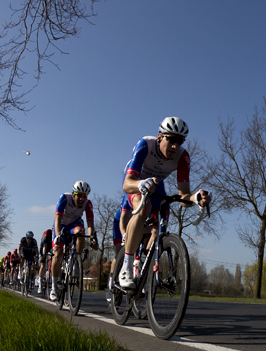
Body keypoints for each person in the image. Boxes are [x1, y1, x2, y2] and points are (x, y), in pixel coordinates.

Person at [118, 117, 210, 289]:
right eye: (171, 140)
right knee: (144, 207)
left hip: (156, 186)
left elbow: (183, 197)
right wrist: (139, 184)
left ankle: (144, 263)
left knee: (160, 227)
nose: (175, 146)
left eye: (180, 141)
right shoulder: (145, 145)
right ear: (160, 136)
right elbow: (126, 183)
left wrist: (196, 197)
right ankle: (127, 267)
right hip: (135, 183)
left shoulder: (183, 157)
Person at [50, 180, 98, 302]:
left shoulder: (88, 204)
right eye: (80, 195)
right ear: (74, 194)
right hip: (60, 225)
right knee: (58, 254)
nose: (82, 199)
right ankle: (54, 287)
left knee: (81, 231)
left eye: (85, 196)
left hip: (73, 226)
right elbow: (57, 218)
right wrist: (57, 236)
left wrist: (92, 237)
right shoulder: (64, 198)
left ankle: (76, 261)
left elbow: (90, 223)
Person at [36, 228, 53, 292]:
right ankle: (40, 285)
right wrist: (43, 255)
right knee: (42, 265)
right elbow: (44, 246)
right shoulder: (47, 233)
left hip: (52, 247)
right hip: (44, 247)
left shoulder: (57, 233)